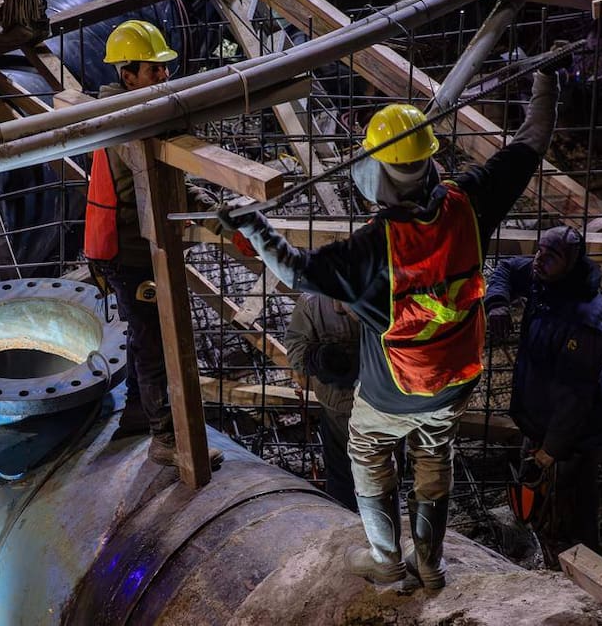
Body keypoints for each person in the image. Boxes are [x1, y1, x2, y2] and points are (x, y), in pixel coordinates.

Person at [220, 70, 563, 589]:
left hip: (392, 391)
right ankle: (430, 562)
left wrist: (254, 227)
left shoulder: (369, 251)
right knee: (435, 452)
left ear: (375, 175)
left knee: (369, 451)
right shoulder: (471, 204)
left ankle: (386, 559)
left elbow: (294, 270)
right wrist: (546, 84)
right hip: (456, 377)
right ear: (429, 160)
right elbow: (532, 140)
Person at [86, 19, 223, 470]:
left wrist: (206, 204)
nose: (165, 76)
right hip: (132, 252)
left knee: (147, 337)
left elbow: (167, 183)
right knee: (155, 343)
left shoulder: (138, 114)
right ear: (127, 76)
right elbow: (151, 185)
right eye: (153, 70)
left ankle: (138, 414)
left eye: (165, 68)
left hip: (132, 246)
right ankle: (166, 439)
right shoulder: (128, 126)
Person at [486, 225, 602, 564]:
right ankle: (543, 549)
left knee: (573, 502)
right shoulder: (541, 277)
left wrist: (550, 451)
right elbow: (504, 269)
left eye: (551, 255)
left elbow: (574, 400)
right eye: (539, 250)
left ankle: (585, 568)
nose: (539, 260)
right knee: (539, 495)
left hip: (576, 435)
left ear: (571, 263)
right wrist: (497, 302)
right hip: (543, 420)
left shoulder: (585, 323)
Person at [283, 293, 360, 511]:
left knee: (385, 475)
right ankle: (347, 528)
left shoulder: (388, 287)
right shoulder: (313, 302)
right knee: (344, 478)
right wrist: (321, 358)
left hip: (385, 408)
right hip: (341, 409)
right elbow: (296, 350)